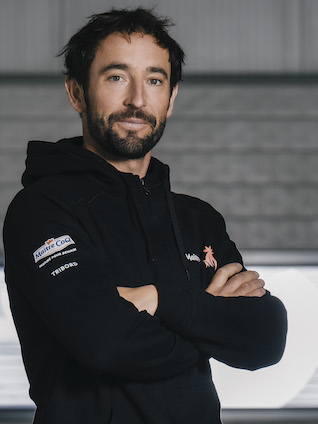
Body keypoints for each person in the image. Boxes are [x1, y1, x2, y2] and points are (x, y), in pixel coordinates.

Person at [2, 8, 287, 424]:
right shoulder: (42, 210)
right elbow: (104, 343)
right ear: (77, 92)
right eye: (116, 77)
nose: (137, 99)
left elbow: (265, 338)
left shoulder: (198, 220)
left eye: (154, 80)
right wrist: (208, 319)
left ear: (171, 99)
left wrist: (158, 300)